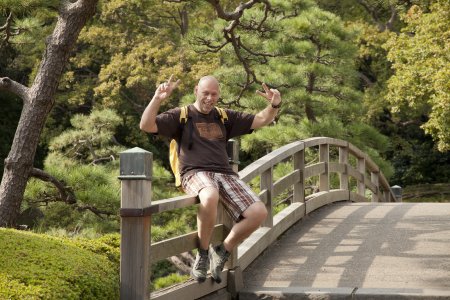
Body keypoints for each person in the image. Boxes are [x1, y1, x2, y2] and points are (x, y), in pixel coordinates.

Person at [140, 75, 282, 283]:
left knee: (259, 212)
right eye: (205, 93)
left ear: (219, 95)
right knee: (209, 196)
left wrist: (275, 104)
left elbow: (262, 119)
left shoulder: (224, 117)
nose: (209, 98)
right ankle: (203, 254)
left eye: (214, 94)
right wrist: (157, 99)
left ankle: (223, 249)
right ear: (196, 90)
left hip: (224, 173)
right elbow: (146, 125)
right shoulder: (182, 115)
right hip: (194, 172)